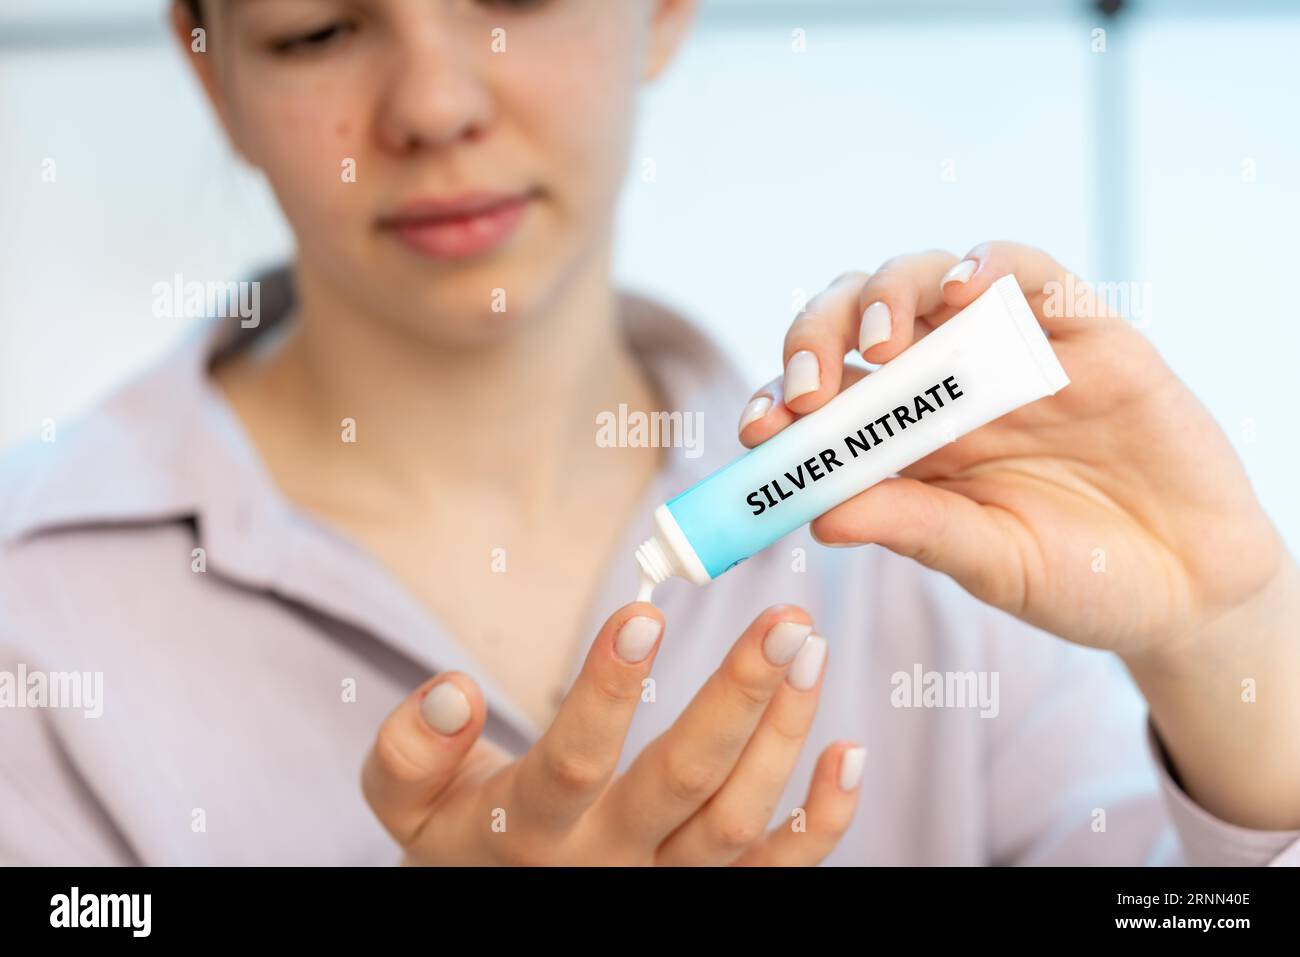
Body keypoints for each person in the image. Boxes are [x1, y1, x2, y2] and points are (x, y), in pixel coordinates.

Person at [1, 0, 1297, 866]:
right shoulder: (33, 619)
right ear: (206, 62)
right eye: (320, 28)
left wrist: (1231, 641)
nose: (435, 107)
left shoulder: (935, 542)